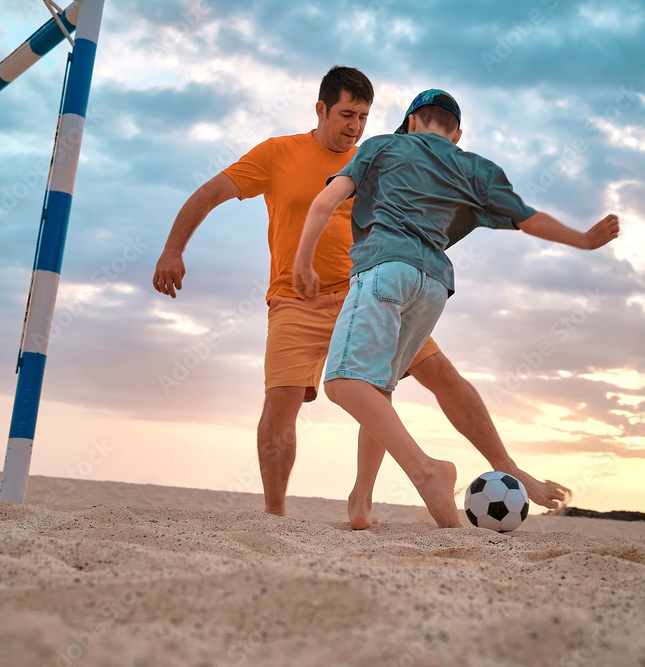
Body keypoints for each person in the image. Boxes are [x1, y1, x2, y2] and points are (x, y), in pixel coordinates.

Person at [152, 69, 567, 527]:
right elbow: (210, 193)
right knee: (281, 401)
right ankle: (274, 515)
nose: (355, 125)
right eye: (346, 114)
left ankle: (471, 478)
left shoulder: (380, 161)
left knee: (436, 376)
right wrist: (174, 248)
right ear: (321, 109)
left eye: (364, 116)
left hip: (364, 289)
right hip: (295, 298)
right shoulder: (278, 153)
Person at [292, 89, 619, 527]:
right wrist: (583, 239)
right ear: (458, 134)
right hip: (433, 287)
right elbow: (528, 219)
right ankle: (361, 504)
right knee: (378, 389)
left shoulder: (382, 146)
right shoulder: (475, 168)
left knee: (343, 383)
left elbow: (324, 202)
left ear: (410, 122)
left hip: (385, 268)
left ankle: (428, 470)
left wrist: (302, 261)